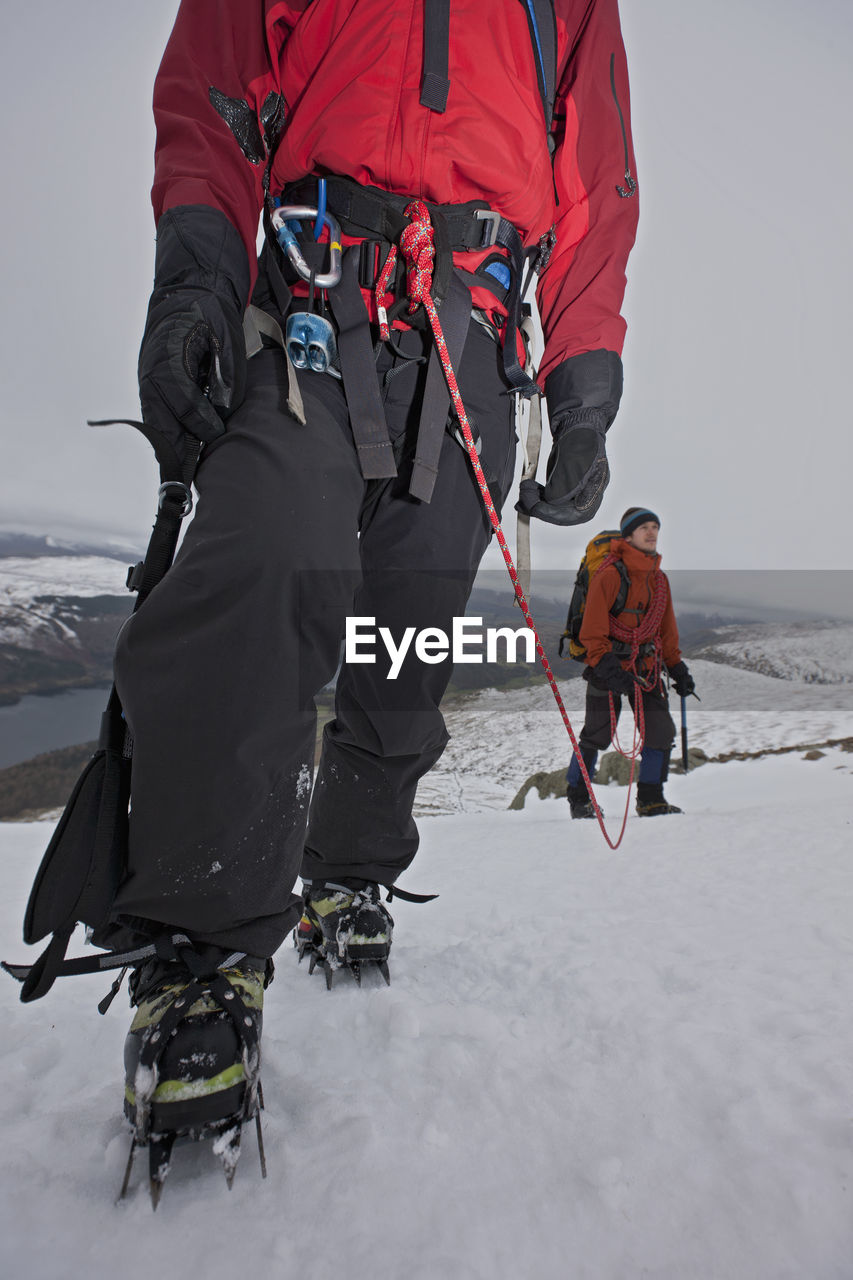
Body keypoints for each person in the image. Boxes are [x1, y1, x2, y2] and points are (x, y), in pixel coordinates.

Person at [48, 1, 642, 1186]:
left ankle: (348, 874)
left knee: (405, 630)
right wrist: (196, 285)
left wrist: (582, 380)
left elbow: (597, 183)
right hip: (316, 293)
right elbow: (213, 102)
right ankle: (203, 951)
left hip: (473, 323)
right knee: (262, 555)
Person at [566, 507, 696, 819]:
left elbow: (666, 631)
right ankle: (579, 798)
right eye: (644, 528)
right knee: (597, 733)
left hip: (645, 667)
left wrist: (677, 668)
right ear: (628, 535)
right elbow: (592, 631)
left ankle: (651, 798)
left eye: (655, 527)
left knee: (660, 732)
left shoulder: (659, 580)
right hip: (606, 666)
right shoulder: (609, 574)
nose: (651, 533)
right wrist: (610, 670)